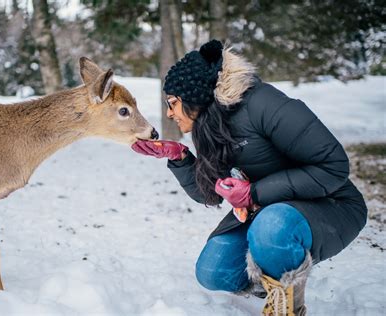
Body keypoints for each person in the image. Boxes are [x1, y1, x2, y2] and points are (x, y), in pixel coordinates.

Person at [131, 40, 367, 315]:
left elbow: (334, 166)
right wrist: (180, 158)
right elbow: (208, 193)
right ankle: (272, 270)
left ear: (195, 96)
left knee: (271, 226)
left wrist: (253, 194)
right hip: (267, 208)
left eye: (173, 103)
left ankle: (287, 305)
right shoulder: (211, 125)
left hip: (332, 203)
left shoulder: (264, 104)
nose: (170, 113)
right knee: (213, 271)